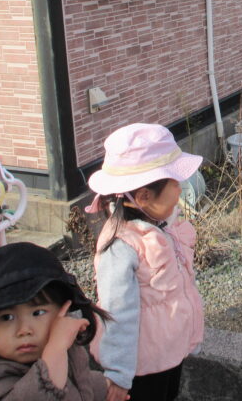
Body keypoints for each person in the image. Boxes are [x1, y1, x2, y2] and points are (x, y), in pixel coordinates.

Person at [87, 123, 204, 401]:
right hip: (141, 367)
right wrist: (118, 374)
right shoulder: (121, 246)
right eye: (174, 183)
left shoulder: (157, 225)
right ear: (143, 197)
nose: (180, 190)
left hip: (167, 352)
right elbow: (117, 313)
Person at [0, 242, 109, 401]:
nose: (24, 330)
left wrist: (107, 386)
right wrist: (56, 348)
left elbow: (80, 384)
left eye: (38, 313)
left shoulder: (61, 349)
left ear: (63, 311)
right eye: (7, 317)